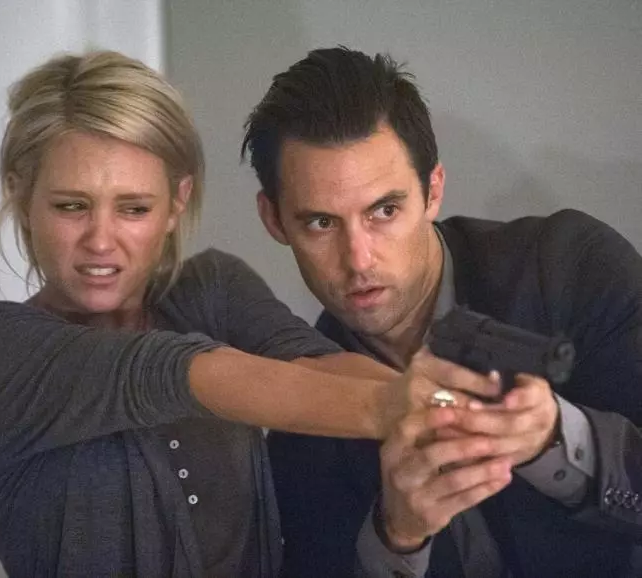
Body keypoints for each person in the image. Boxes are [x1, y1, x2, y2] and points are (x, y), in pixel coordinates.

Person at [0, 50, 407, 578]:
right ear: (20, 193)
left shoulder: (211, 287)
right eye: (71, 206)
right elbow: (173, 373)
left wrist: (442, 407)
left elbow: (316, 364)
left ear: (178, 201)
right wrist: (400, 410)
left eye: (134, 208)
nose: (101, 241)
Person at [242, 46, 642, 577]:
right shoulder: (302, 423)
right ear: (273, 220)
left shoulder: (571, 266)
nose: (358, 259)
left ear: (432, 191)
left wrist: (556, 439)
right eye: (321, 223)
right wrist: (396, 538)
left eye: (385, 210)